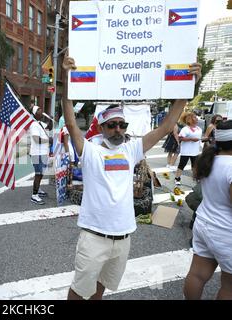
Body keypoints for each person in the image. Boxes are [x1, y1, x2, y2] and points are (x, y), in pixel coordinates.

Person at [61, 53, 201, 300]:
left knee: (101, 287)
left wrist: (189, 87)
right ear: (102, 128)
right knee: (79, 290)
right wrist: (66, 80)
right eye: (112, 125)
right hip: (94, 237)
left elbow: (168, 124)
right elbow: (72, 124)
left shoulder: (130, 148)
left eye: (122, 125)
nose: (118, 129)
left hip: (123, 236)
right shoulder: (90, 149)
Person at [184, 120, 232, 300]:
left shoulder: (210, 160)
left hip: (204, 223)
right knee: (229, 286)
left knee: (197, 274)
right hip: (226, 231)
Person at [29, 105, 50, 205]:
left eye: (41, 110)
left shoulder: (40, 123)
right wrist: (48, 140)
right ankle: (34, 195)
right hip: (37, 154)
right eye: (39, 111)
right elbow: (36, 139)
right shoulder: (34, 125)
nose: (41, 112)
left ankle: (38, 189)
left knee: (41, 173)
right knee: (38, 174)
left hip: (43, 153)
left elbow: (50, 126)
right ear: (34, 114)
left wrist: (49, 118)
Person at [174, 112, 202, 186]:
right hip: (186, 151)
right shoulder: (185, 129)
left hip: (195, 151)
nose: (196, 119)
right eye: (194, 117)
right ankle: (177, 178)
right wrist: (191, 139)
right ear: (189, 119)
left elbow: (199, 139)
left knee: (195, 166)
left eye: (196, 117)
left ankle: (196, 178)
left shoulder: (199, 129)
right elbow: (180, 138)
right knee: (182, 165)